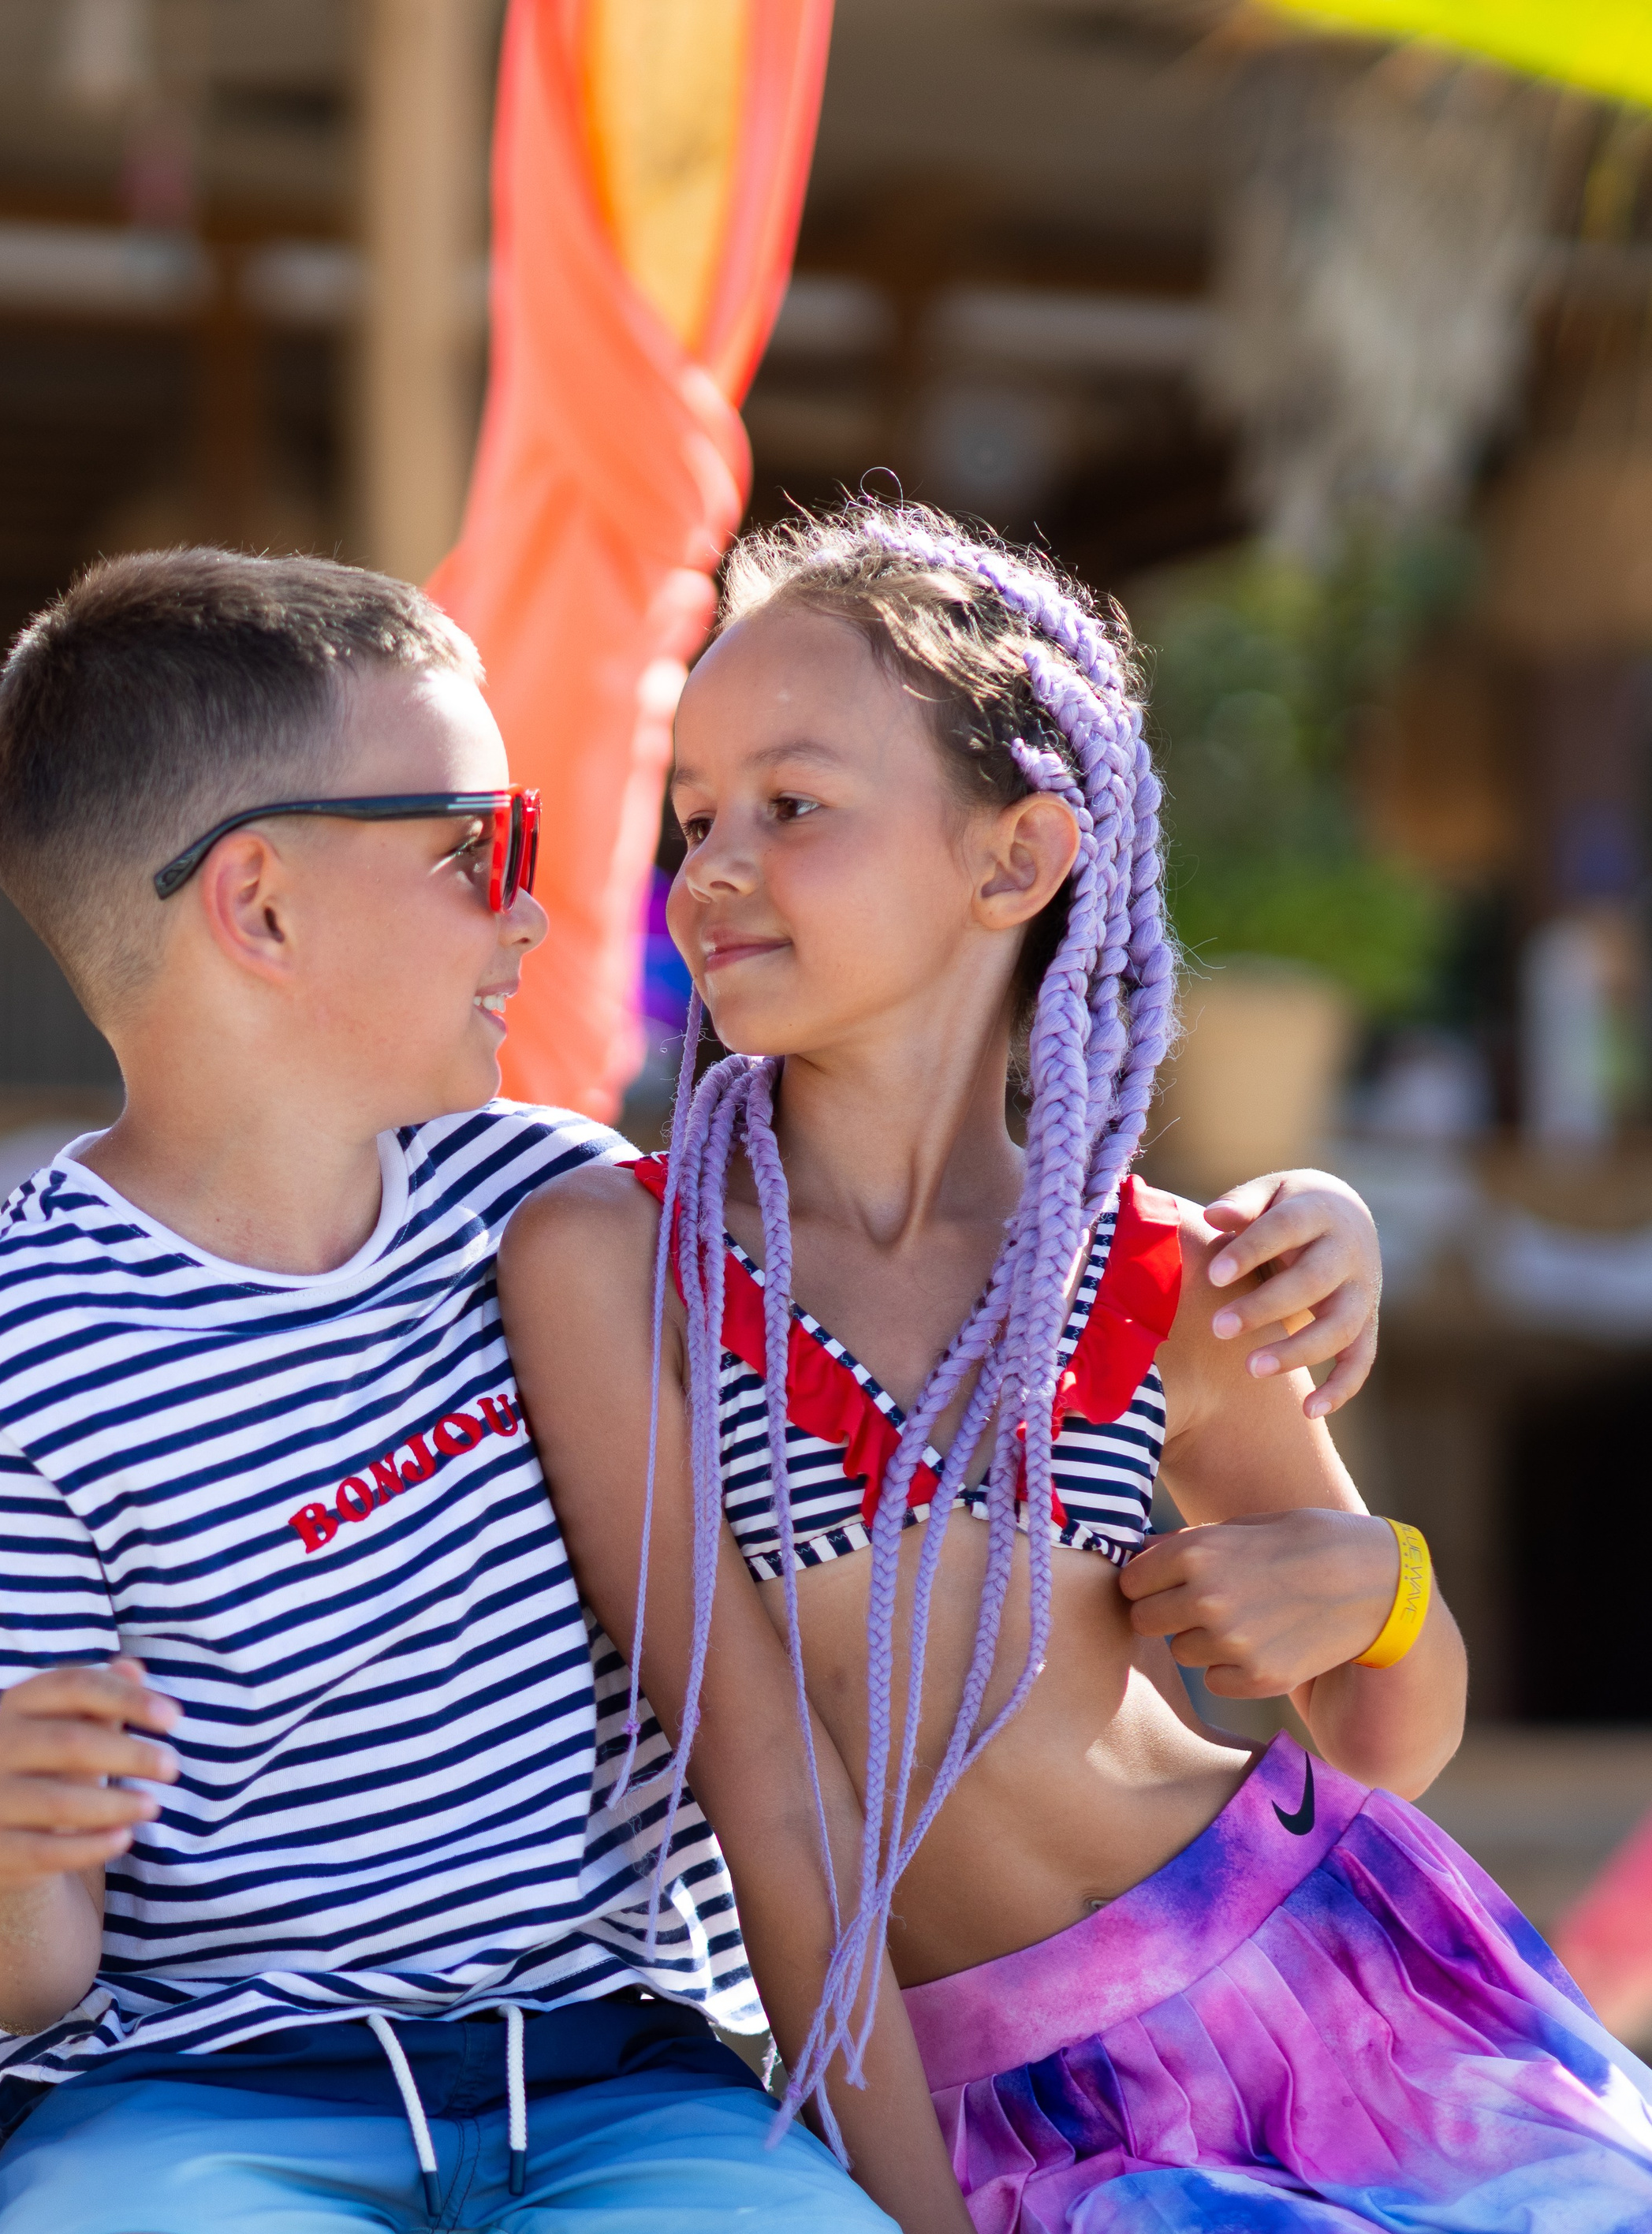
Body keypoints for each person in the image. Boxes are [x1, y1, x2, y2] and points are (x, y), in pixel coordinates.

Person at [0, 546, 1387, 2234]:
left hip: (617, 2077)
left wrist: (1317, 1225)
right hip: (198, 2103)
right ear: (260, 905)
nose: (535, 910)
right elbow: (19, 1971)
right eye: (475, 850)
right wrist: (7, 1855)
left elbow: (933, 1195)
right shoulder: (14, 1346)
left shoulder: (563, 1213)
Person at [498, 500, 1652, 2234]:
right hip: (980, 2108)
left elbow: (1378, 1742)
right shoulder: (624, 1263)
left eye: (790, 807)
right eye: (692, 815)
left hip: (1344, 1987)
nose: (711, 866)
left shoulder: (1164, 1277)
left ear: (1015, 859)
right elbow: (774, 1804)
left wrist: (1378, 1588)